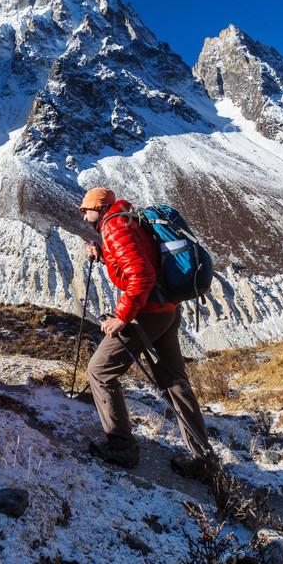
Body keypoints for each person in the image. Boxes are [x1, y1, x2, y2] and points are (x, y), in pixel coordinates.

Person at [78, 187, 215, 478]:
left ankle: (121, 446)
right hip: (166, 309)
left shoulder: (114, 228)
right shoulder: (126, 220)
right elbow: (142, 258)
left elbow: (141, 276)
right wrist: (103, 253)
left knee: (100, 371)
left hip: (146, 314)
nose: (83, 214)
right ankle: (203, 458)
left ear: (99, 209)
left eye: (86, 209)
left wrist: (120, 316)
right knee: (174, 382)